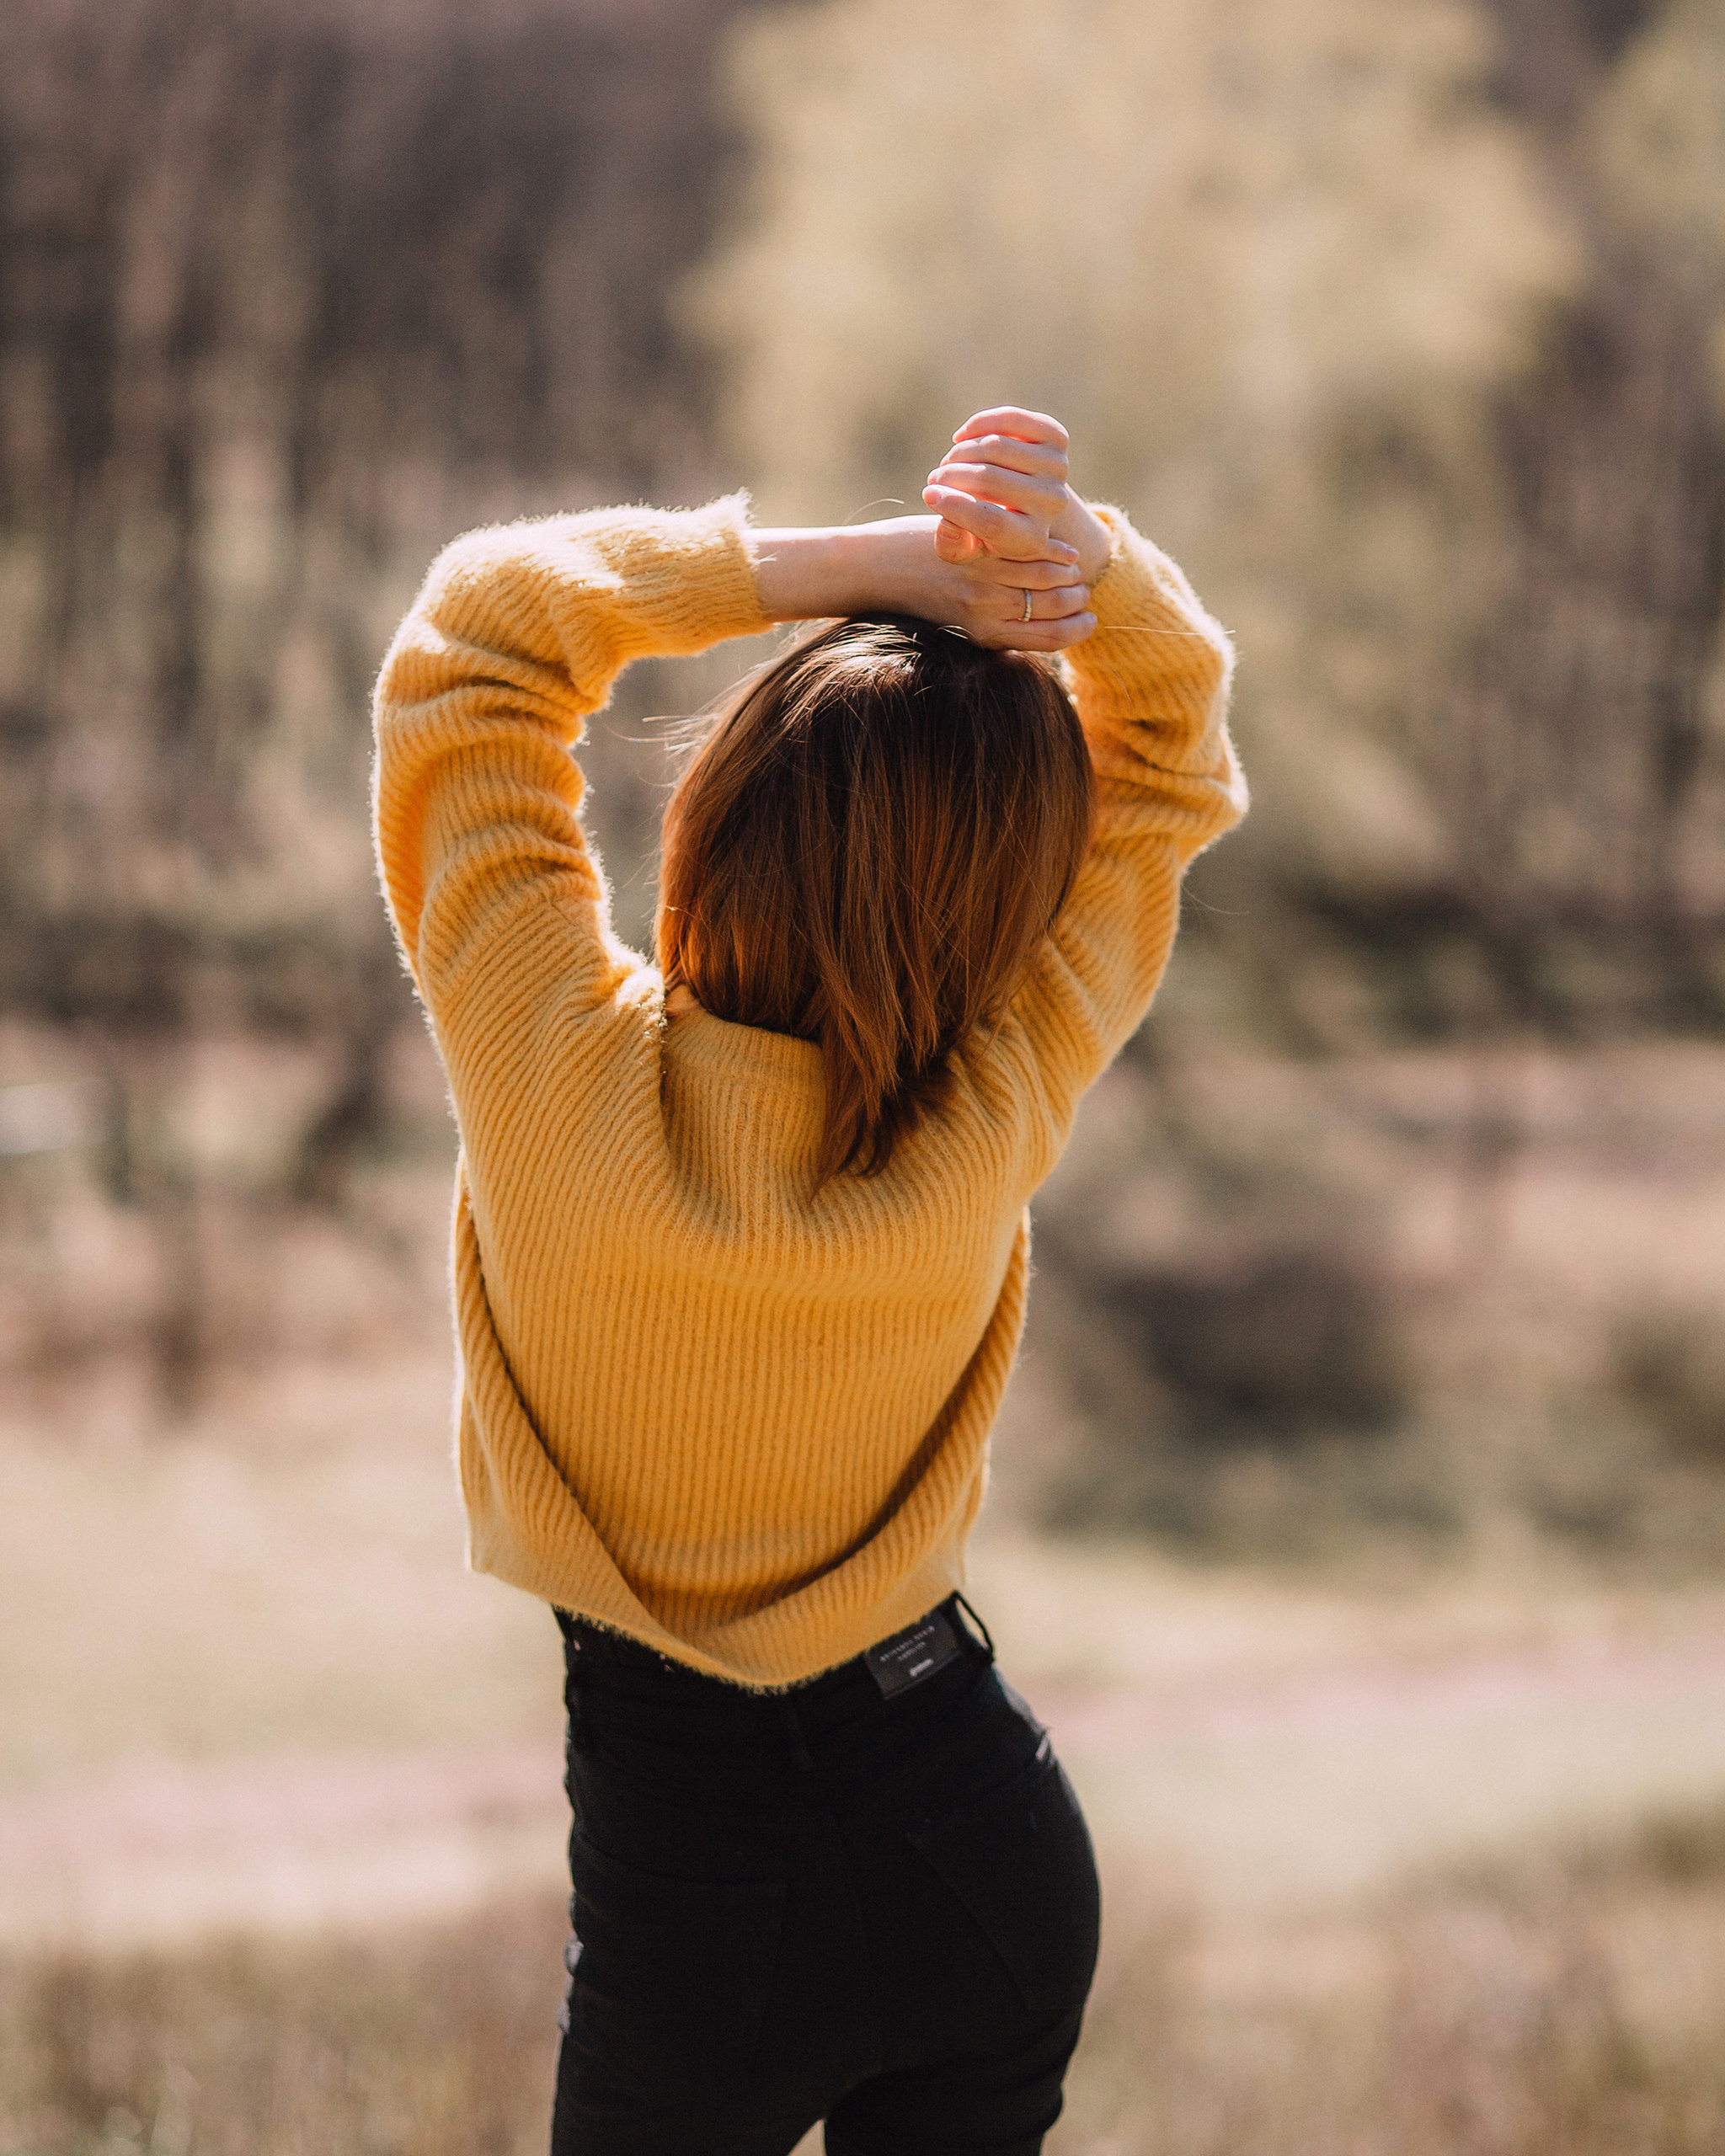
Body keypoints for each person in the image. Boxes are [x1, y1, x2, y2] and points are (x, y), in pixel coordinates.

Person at [372, 407, 1246, 2155]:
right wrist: (1083, 573)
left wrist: (842, 566)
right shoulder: (994, 1100)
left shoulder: (555, 1069)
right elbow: (1170, 763)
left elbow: (477, 635)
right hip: (981, 1848)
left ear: (718, 810)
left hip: (691, 1911)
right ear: (1001, 910)